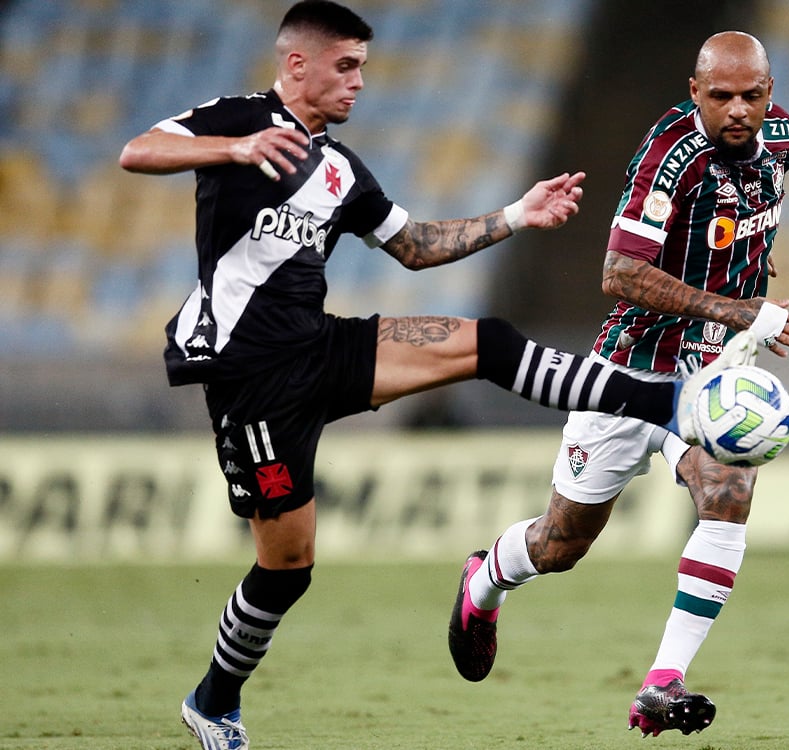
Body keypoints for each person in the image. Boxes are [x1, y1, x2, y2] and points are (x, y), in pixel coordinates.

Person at [118, 3, 740, 748]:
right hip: (251, 379)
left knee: (483, 343)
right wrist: (236, 148)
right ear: (297, 65)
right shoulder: (238, 118)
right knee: (287, 568)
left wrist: (515, 214)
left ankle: (667, 401)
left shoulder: (342, 169)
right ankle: (214, 702)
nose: (357, 83)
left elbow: (413, 244)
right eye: (345, 67)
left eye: (363, 69)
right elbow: (138, 150)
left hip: (323, 348)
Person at [447, 31, 789, 738]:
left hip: (711, 373)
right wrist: (743, 308)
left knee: (729, 489)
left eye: (753, 95)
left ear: (770, 92)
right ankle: (483, 581)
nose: (739, 110)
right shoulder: (669, 156)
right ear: (695, 89)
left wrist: (746, 306)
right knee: (561, 544)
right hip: (629, 365)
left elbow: (741, 236)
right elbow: (618, 274)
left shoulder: (785, 142)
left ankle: (661, 681)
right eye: (721, 96)